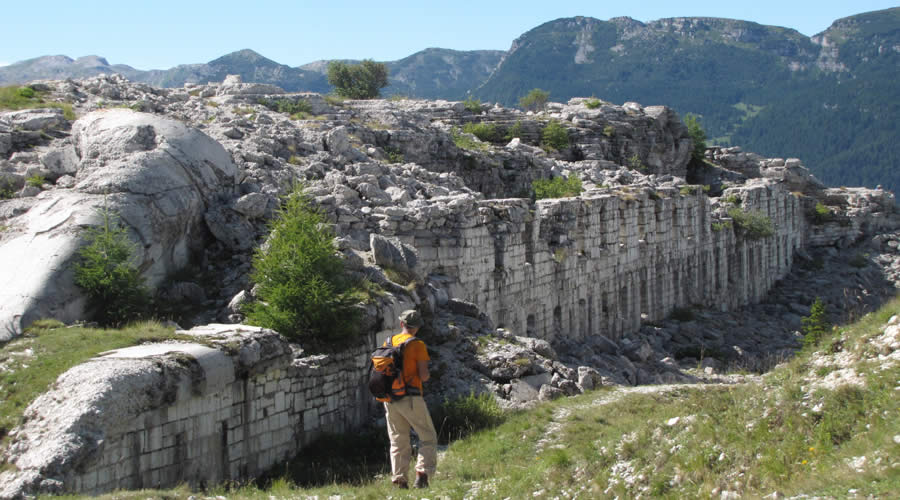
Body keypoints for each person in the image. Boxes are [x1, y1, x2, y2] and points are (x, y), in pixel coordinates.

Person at [384, 309, 437, 489]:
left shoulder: (389, 341)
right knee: (428, 436)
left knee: (398, 439)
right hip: (411, 397)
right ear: (418, 327)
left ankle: (399, 480)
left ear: (401, 324)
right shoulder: (417, 345)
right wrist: (427, 375)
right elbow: (423, 376)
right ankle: (422, 475)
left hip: (390, 399)